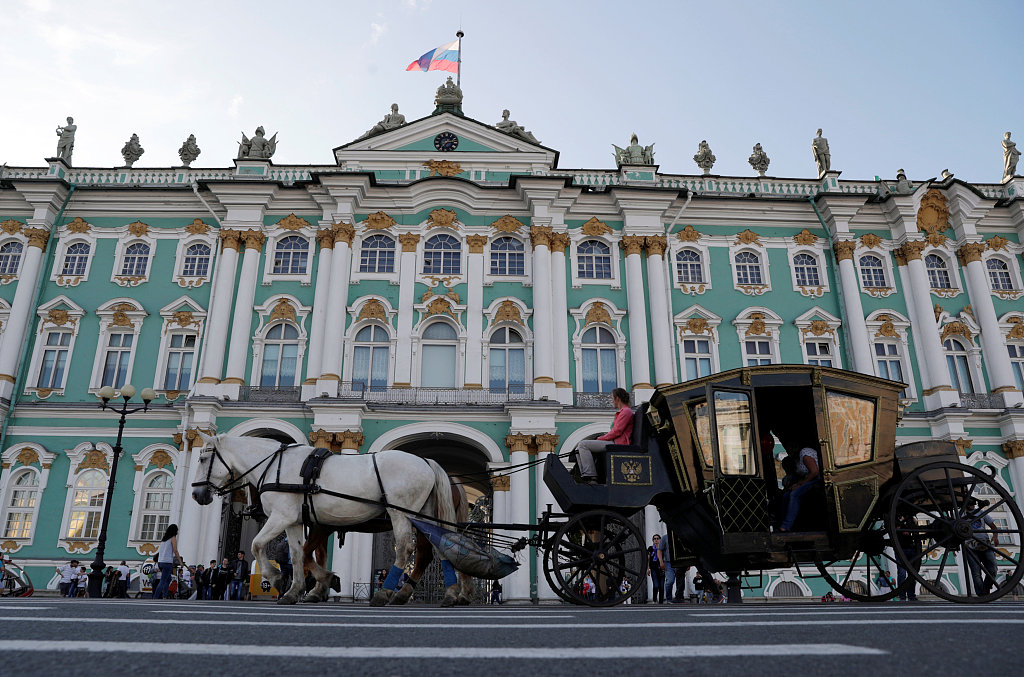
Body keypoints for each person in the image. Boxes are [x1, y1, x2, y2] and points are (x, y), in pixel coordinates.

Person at [575, 388, 634, 484]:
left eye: (612, 398)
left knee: (583, 445)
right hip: (615, 441)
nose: (611, 401)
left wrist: (600, 438)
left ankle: (591, 475)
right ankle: (585, 474)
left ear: (617, 399)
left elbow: (617, 431)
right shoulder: (624, 412)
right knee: (578, 448)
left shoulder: (626, 412)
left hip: (618, 443)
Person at [778, 444, 820, 532]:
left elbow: (814, 472)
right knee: (786, 495)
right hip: (807, 480)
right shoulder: (796, 459)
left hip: (817, 479)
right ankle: (782, 522)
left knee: (794, 494)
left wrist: (800, 484)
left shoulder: (804, 453)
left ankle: (786, 526)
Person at [965, 498, 1000, 595]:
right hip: (970, 545)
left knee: (993, 568)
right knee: (976, 573)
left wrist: (995, 537)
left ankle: (986, 588)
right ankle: (982, 594)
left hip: (985, 543)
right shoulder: (961, 514)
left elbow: (993, 526)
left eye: (973, 505)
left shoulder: (980, 512)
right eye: (970, 505)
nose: (972, 507)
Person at [153, 524, 181, 599]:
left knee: (168, 579)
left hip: (160, 562)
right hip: (167, 562)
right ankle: (156, 597)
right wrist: (180, 562)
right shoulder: (173, 538)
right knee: (163, 580)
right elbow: (175, 550)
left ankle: (164, 596)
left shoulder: (164, 539)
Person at [656, 531, 674, 602]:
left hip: (679, 563)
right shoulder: (664, 538)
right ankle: (669, 598)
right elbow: (659, 550)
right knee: (670, 581)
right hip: (668, 562)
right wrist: (661, 561)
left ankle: (679, 597)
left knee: (680, 581)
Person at [648, 534, 665, 603]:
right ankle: (654, 599)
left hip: (661, 568)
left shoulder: (663, 548)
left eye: (657, 538)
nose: (656, 540)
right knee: (655, 585)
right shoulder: (650, 548)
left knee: (661, 586)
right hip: (654, 568)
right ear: (653, 540)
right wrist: (647, 568)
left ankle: (661, 602)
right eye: (654, 539)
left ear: (660, 540)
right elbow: (648, 559)